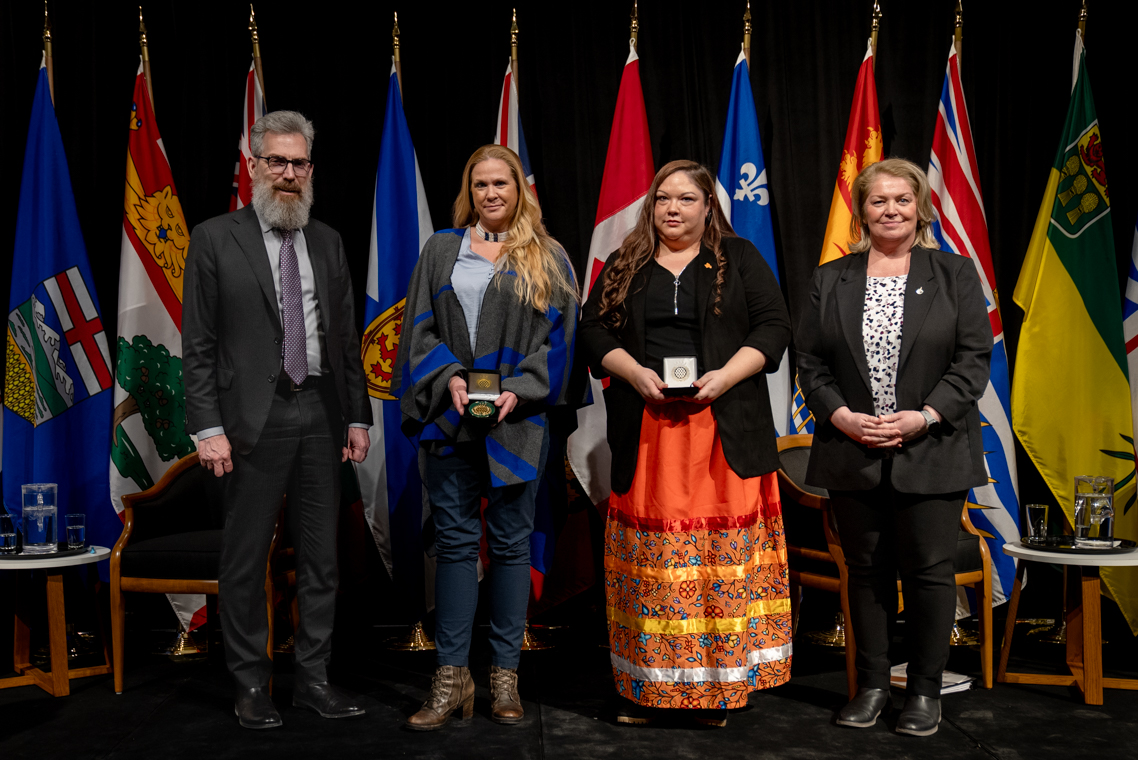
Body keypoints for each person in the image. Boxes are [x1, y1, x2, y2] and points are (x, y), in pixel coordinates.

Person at [577, 160, 793, 727]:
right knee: (654, 567)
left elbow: (774, 327)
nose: (672, 208)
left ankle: (717, 693)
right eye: (663, 198)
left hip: (723, 432)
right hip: (649, 432)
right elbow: (592, 329)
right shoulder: (626, 260)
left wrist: (725, 376)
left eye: (686, 199)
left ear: (707, 206)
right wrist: (632, 372)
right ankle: (649, 693)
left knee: (717, 567)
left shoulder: (739, 257)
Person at [183, 110, 372, 729]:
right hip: (248, 420)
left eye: (299, 163)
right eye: (277, 162)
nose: (289, 174)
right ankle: (250, 685)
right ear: (253, 166)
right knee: (245, 558)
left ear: (310, 170)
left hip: (320, 410)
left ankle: (313, 680)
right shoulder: (214, 237)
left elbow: (345, 339)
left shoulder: (328, 240)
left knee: (322, 558)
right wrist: (207, 427)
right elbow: (199, 344)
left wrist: (359, 416)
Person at [795, 158, 992, 736]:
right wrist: (841, 416)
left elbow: (973, 360)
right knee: (866, 572)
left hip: (933, 447)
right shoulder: (831, 278)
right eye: (878, 200)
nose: (891, 210)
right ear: (862, 210)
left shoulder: (954, 274)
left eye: (902, 199)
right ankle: (873, 686)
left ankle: (924, 691)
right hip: (851, 448)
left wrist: (924, 417)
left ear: (920, 207)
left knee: (929, 572)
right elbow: (810, 362)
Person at [393, 144, 578, 731]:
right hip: (449, 421)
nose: (491, 193)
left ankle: (504, 676)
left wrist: (519, 390)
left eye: (501, 183)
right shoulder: (441, 249)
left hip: (516, 422)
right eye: (480, 184)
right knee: (454, 546)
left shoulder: (548, 256)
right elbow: (418, 330)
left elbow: (561, 342)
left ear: (519, 189)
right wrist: (449, 378)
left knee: (511, 547)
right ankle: (451, 678)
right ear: (468, 192)